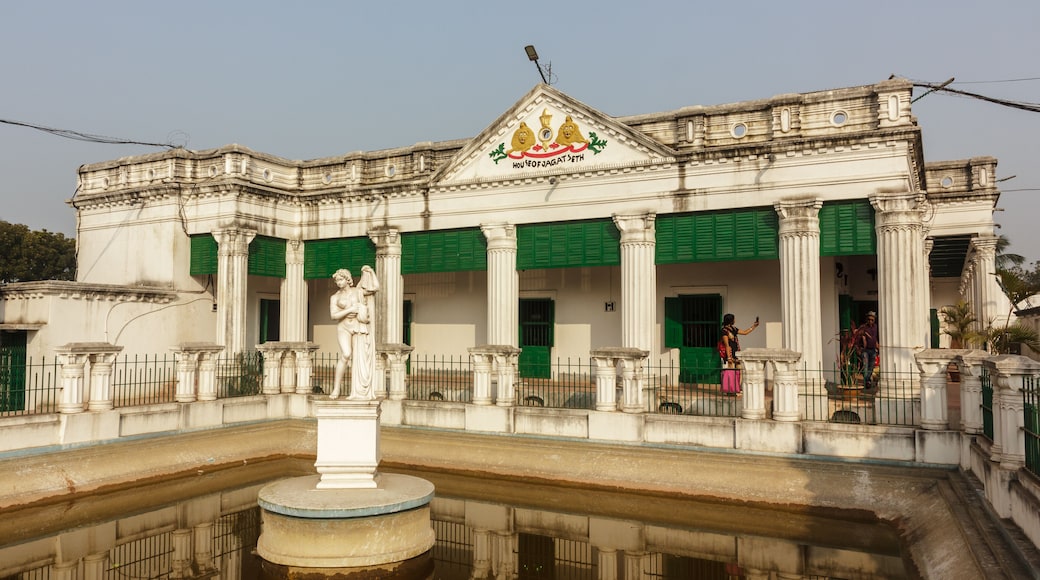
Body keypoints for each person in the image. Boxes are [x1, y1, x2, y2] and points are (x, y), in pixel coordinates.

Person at [329, 266, 380, 400]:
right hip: (344, 327)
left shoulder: (357, 291)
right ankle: (336, 388)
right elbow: (333, 316)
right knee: (346, 354)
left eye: (341, 280)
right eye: (337, 281)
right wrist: (349, 309)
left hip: (357, 325)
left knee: (359, 355)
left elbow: (374, 288)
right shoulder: (335, 297)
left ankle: (358, 389)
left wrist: (370, 272)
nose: (339, 283)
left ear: (347, 279)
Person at [719, 313, 759, 395]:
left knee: (739, 371)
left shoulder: (733, 328)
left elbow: (745, 332)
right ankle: (730, 390)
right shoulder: (724, 331)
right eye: (734, 319)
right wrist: (729, 358)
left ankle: (737, 388)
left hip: (736, 353)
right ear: (730, 320)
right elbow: (727, 345)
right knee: (731, 372)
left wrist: (754, 326)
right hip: (730, 354)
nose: (735, 320)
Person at [857, 311, 879, 390]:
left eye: (872, 320)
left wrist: (878, 347)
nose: (870, 321)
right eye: (869, 319)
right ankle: (867, 381)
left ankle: (867, 380)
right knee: (865, 366)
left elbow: (875, 338)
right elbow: (859, 338)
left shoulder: (876, 327)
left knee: (871, 367)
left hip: (873, 349)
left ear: (874, 320)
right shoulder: (864, 327)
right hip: (865, 350)